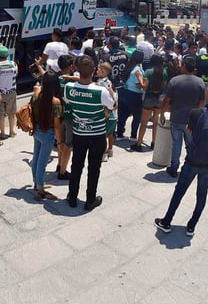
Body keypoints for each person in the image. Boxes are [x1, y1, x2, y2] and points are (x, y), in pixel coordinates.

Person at [154, 80, 208, 237]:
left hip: (193, 161)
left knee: (179, 191)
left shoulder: (197, 113)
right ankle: (191, 227)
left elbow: (189, 132)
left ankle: (166, 222)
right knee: (202, 195)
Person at [64, 55, 115, 211]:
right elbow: (112, 106)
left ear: (77, 70)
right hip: (97, 135)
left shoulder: (69, 88)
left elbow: (68, 105)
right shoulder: (101, 91)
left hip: (79, 134)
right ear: (93, 71)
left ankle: (72, 197)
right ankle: (90, 199)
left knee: (76, 166)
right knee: (94, 168)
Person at [161, 56, 205, 177]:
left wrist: (162, 114)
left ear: (185, 66)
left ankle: (174, 167)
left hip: (177, 118)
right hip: (191, 121)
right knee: (190, 145)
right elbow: (201, 102)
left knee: (176, 144)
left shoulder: (175, 81)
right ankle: (189, 167)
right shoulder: (200, 82)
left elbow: (167, 100)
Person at [29, 72, 63, 200]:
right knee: (42, 163)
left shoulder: (37, 96)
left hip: (37, 130)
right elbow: (57, 125)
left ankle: (37, 183)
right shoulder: (55, 101)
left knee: (36, 158)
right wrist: (59, 142)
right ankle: (41, 190)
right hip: (48, 133)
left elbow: (36, 90)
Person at [135, 54, 167, 150]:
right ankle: (154, 142)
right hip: (159, 99)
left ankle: (139, 143)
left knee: (144, 122)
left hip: (149, 97)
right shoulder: (164, 72)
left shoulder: (148, 72)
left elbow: (144, 86)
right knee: (155, 122)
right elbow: (164, 86)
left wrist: (139, 77)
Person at [117, 50, 145, 147]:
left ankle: (119, 134)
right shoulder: (138, 69)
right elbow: (138, 85)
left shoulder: (129, 66)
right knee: (136, 116)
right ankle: (133, 135)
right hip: (135, 95)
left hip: (124, 92)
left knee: (122, 115)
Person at [0, 46, 18, 140]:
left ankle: (2, 133)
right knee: (11, 113)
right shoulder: (13, 64)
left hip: (0, 93)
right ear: (7, 55)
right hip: (11, 92)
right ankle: (12, 132)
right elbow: (16, 74)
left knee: (1, 114)